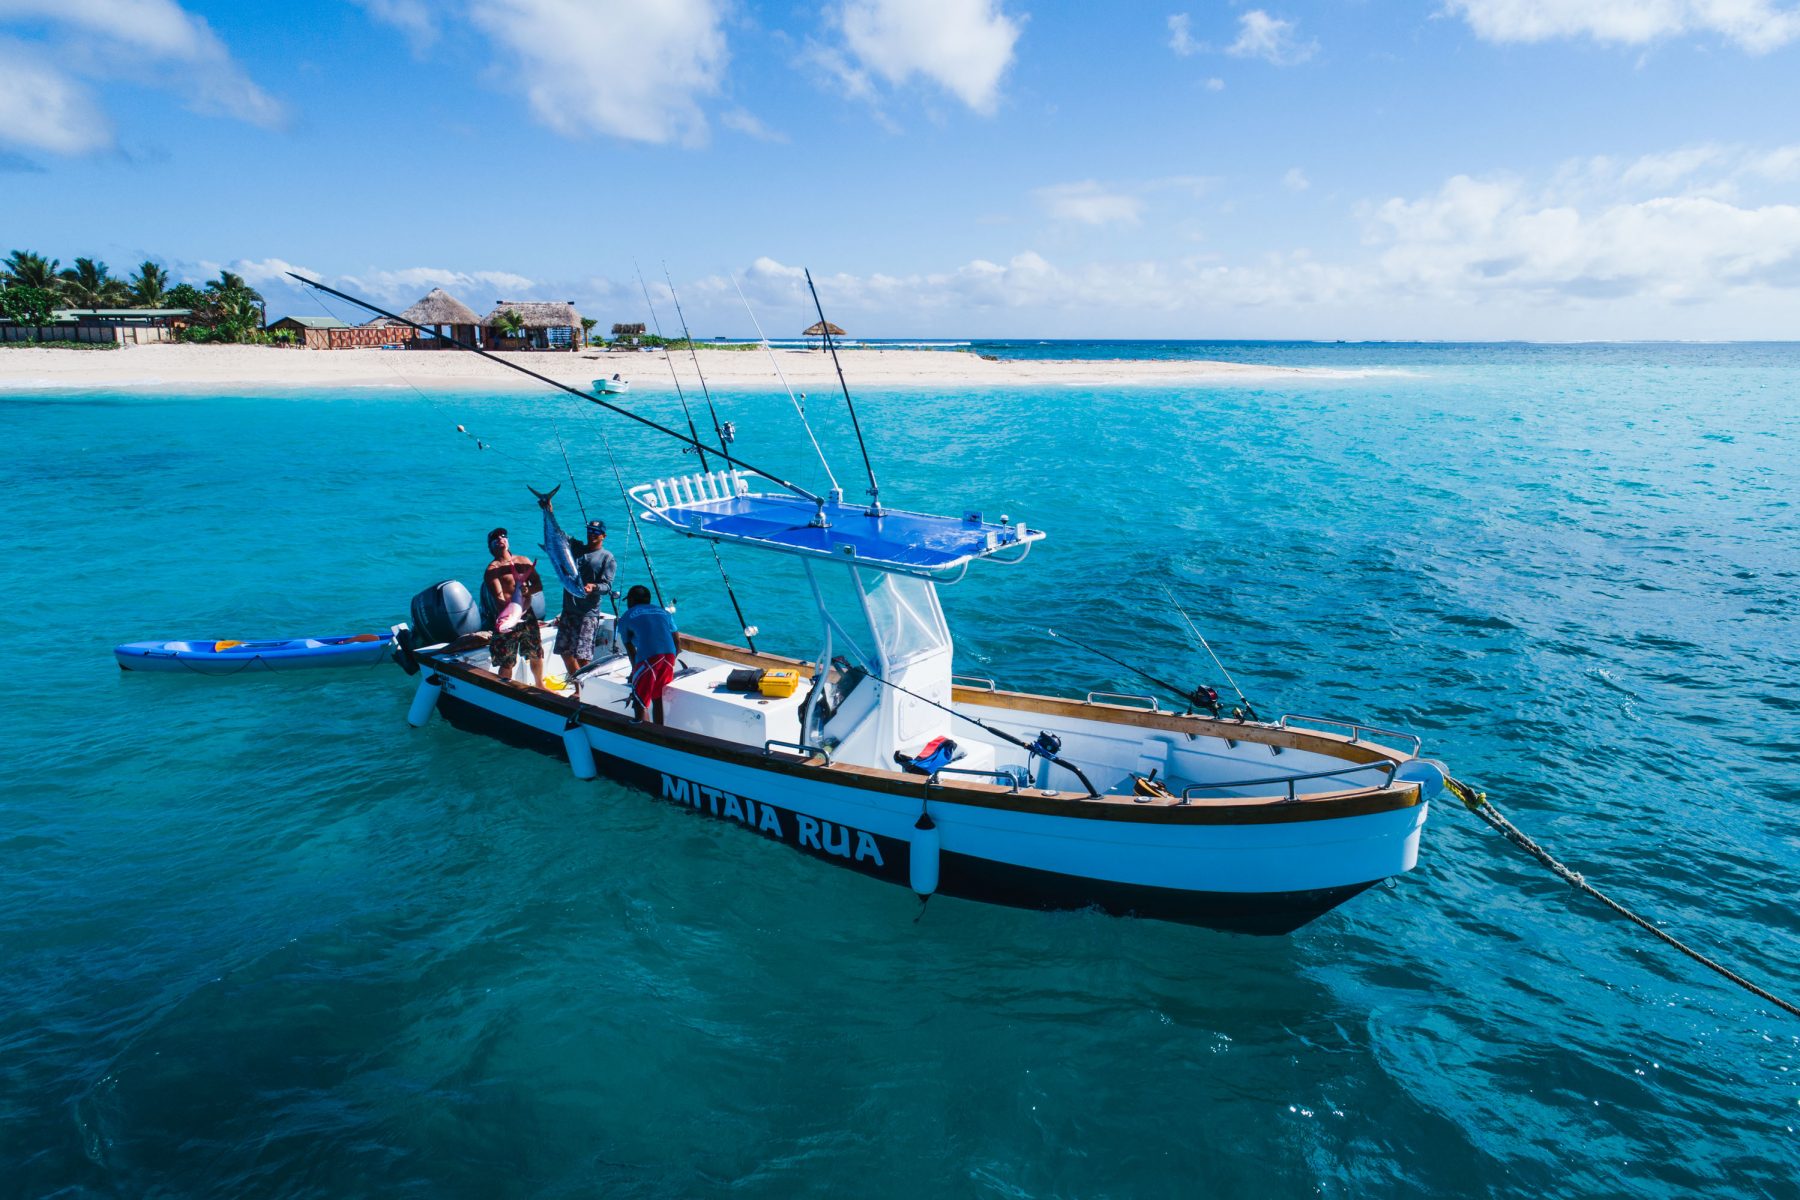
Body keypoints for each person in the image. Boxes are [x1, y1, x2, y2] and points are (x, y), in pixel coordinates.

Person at [553, 516, 617, 679]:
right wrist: (549, 511)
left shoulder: (607, 557)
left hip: (587, 614)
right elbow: (559, 535)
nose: (592, 534)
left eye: (597, 532)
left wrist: (593, 587)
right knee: (565, 653)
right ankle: (577, 687)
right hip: (568, 611)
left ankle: (585, 689)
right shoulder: (576, 548)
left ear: (604, 536)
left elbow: (607, 587)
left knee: (582, 657)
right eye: (590, 531)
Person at [482, 527, 545, 685]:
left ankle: (540, 685)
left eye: (503, 536)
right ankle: (505, 688)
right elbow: (500, 598)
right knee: (506, 661)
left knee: (536, 654)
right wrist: (513, 612)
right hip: (507, 617)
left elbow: (538, 585)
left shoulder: (523, 561)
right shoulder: (492, 570)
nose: (500, 539)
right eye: (495, 538)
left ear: (508, 541)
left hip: (527, 615)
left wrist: (527, 590)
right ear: (490, 547)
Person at [617, 584, 678, 724]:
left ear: (631, 600)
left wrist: (634, 672)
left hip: (649, 658)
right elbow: (677, 641)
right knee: (657, 698)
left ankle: (645, 734)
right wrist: (671, 658)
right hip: (669, 656)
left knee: (640, 701)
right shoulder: (663, 612)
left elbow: (630, 649)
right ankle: (659, 731)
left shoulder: (626, 617)